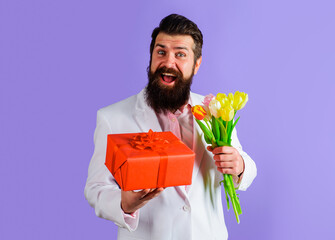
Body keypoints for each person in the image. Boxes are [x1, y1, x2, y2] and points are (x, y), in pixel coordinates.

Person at [84, 14, 257, 240]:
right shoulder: (112, 118)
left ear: (196, 64)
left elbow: (243, 166)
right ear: (151, 56)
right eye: (161, 52)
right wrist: (124, 204)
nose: (168, 62)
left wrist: (240, 165)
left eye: (180, 54)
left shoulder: (215, 109)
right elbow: (95, 188)